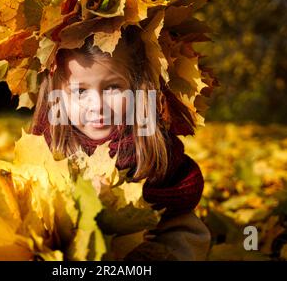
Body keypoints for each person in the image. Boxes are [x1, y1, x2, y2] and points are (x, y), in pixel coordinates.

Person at [29, 27, 211, 261]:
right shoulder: (48, 151)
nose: (97, 105)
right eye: (80, 91)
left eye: (113, 87)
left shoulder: (153, 155)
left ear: (137, 89)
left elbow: (189, 236)